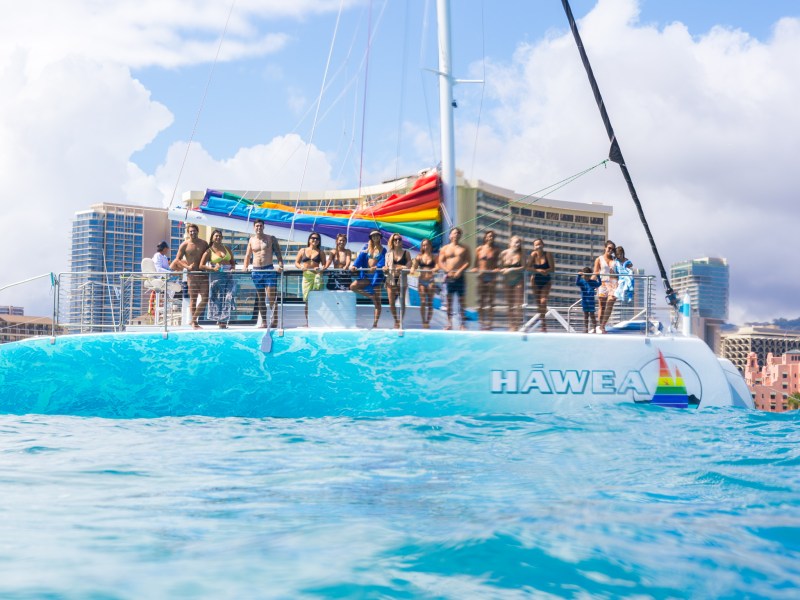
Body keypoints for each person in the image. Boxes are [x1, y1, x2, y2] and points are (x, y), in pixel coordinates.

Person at [243, 219, 284, 329]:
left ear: (263, 227)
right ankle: (264, 322)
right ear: (254, 227)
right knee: (261, 297)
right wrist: (245, 267)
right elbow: (247, 255)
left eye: (260, 226)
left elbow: (278, 253)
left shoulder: (270, 238)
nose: (259, 228)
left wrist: (280, 265)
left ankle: (275, 320)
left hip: (269, 270)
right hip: (256, 271)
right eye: (257, 226)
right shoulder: (251, 240)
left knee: (271, 297)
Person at [171, 223, 209, 330]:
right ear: (188, 233)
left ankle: (193, 319)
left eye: (194, 231)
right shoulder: (184, 245)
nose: (193, 232)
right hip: (191, 275)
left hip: (203, 274)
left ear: (198, 231)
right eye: (191, 231)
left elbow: (210, 255)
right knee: (193, 299)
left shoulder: (204, 243)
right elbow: (177, 259)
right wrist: (187, 267)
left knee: (205, 298)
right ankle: (194, 323)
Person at [350, 230, 386, 328]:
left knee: (377, 303)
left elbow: (383, 262)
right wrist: (354, 265)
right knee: (353, 286)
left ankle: (375, 324)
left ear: (380, 237)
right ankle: (370, 296)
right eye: (373, 236)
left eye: (377, 235)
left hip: (376, 277)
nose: (375, 237)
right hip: (366, 276)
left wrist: (377, 266)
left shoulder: (383, 250)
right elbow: (360, 259)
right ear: (371, 237)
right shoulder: (366, 248)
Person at [437, 227, 471, 330]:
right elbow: (440, 262)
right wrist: (447, 270)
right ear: (450, 235)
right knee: (449, 301)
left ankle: (462, 324)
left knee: (462, 301)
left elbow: (468, 262)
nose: (456, 235)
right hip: (449, 277)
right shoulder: (445, 249)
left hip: (460, 277)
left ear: (460, 235)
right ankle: (449, 323)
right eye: (454, 233)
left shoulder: (464, 248)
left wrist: (460, 271)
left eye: (458, 233)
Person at [200, 229, 236, 329]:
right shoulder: (209, 251)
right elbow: (201, 265)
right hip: (216, 277)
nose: (218, 237)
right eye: (216, 236)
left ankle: (224, 319)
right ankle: (220, 321)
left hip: (228, 276)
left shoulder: (227, 249)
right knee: (218, 299)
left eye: (220, 236)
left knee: (229, 296)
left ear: (222, 238)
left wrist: (233, 268)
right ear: (212, 238)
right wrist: (212, 268)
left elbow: (232, 262)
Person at [295, 232, 324, 325]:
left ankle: (317, 322)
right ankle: (308, 322)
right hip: (306, 277)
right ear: (309, 239)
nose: (314, 240)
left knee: (317, 300)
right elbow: (296, 263)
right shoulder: (302, 250)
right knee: (307, 300)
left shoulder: (321, 252)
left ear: (319, 241)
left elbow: (324, 265)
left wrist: (320, 269)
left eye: (317, 239)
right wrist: (301, 267)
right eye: (313, 238)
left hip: (317, 276)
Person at [527, 238, 555, 332]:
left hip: (546, 281)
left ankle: (543, 323)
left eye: (539, 244)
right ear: (534, 247)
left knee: (543, 301)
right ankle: (542, 323)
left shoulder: (548, 254)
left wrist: (545, 271)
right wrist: (537, 270)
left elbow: (552, 269)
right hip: (535, 281)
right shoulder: (533, 255)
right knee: (539, 303)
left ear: (543, 245)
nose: (538, 246)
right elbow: (527, 267)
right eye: (536, 245)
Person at [474, 230, 500, 330]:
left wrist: (497, 269)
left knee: (491, 301)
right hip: (481, 277)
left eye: (492, 236)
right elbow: (475, 264)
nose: (490, 238)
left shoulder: (496, 250)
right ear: (485, 238)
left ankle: (489, 323)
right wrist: (475, 269)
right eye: (489, 236)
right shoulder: (479, 249)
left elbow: (499, 264)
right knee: (481, 301)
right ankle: (481, 322)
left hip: (491, 277)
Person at [385, 233, 411, 329]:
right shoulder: (388, 254)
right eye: (395, 239)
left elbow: (409, 266)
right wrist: (385, 268)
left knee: (402, 302)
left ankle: (400, 321)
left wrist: (402, 267)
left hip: (402, 279)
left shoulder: (406, 253)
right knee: (391, 302)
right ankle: (396, 320)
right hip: (390, 279)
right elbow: (386, 267)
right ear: (392, 241)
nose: (397, 241)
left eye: (399, 239)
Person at [500, 236, 526, 332]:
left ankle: (517, 324)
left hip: (518, 280)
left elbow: (523, 267)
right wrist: (502, 270)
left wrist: (511, 269)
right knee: (510, 304)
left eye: (519, 242)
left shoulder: (521, 254)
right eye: (516, 242)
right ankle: (511, 324)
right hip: (507, 280)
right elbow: (499, 267)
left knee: (518, 304)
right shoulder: (504, 253)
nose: (517, 244)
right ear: (510, 243)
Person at [411, 238, 438, 329]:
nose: (425, 247)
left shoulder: (434, 257)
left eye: (427, 245)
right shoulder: (419, 256)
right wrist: (413, 268)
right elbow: (414, 265)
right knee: (423, 301)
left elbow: (438, 266)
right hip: (421, 281)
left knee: (430, 303)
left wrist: (435, 269)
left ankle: (428, 321)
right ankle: (423, 321)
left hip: (431, 281)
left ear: (430, 246)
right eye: (423, 245)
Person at [593, 240, 617, 334]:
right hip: (602, 283)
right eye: (609, 248)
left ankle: (603, 325)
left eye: (612, 249)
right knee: (602, 306)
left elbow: (622, 269)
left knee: (610, 303)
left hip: (613, 283)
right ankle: (600, 327)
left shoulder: (615, 260)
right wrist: (590, 282)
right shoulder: (599, 259)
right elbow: (595, 272)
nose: (610, 250)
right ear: (605, 248)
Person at [575, 267, 601, 333]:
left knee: (592, 315)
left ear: (590, 275)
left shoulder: (593, 282)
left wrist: (598, 276)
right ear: (583, 276)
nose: (587, 277)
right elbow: (577, 283)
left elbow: (599, 284)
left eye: (588, 276)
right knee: (585, 315)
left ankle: (595, 329)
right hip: (584, 301)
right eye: (585, 276)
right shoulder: (581, 282)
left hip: (591, 301)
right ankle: (586, 329)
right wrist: (578, 275)